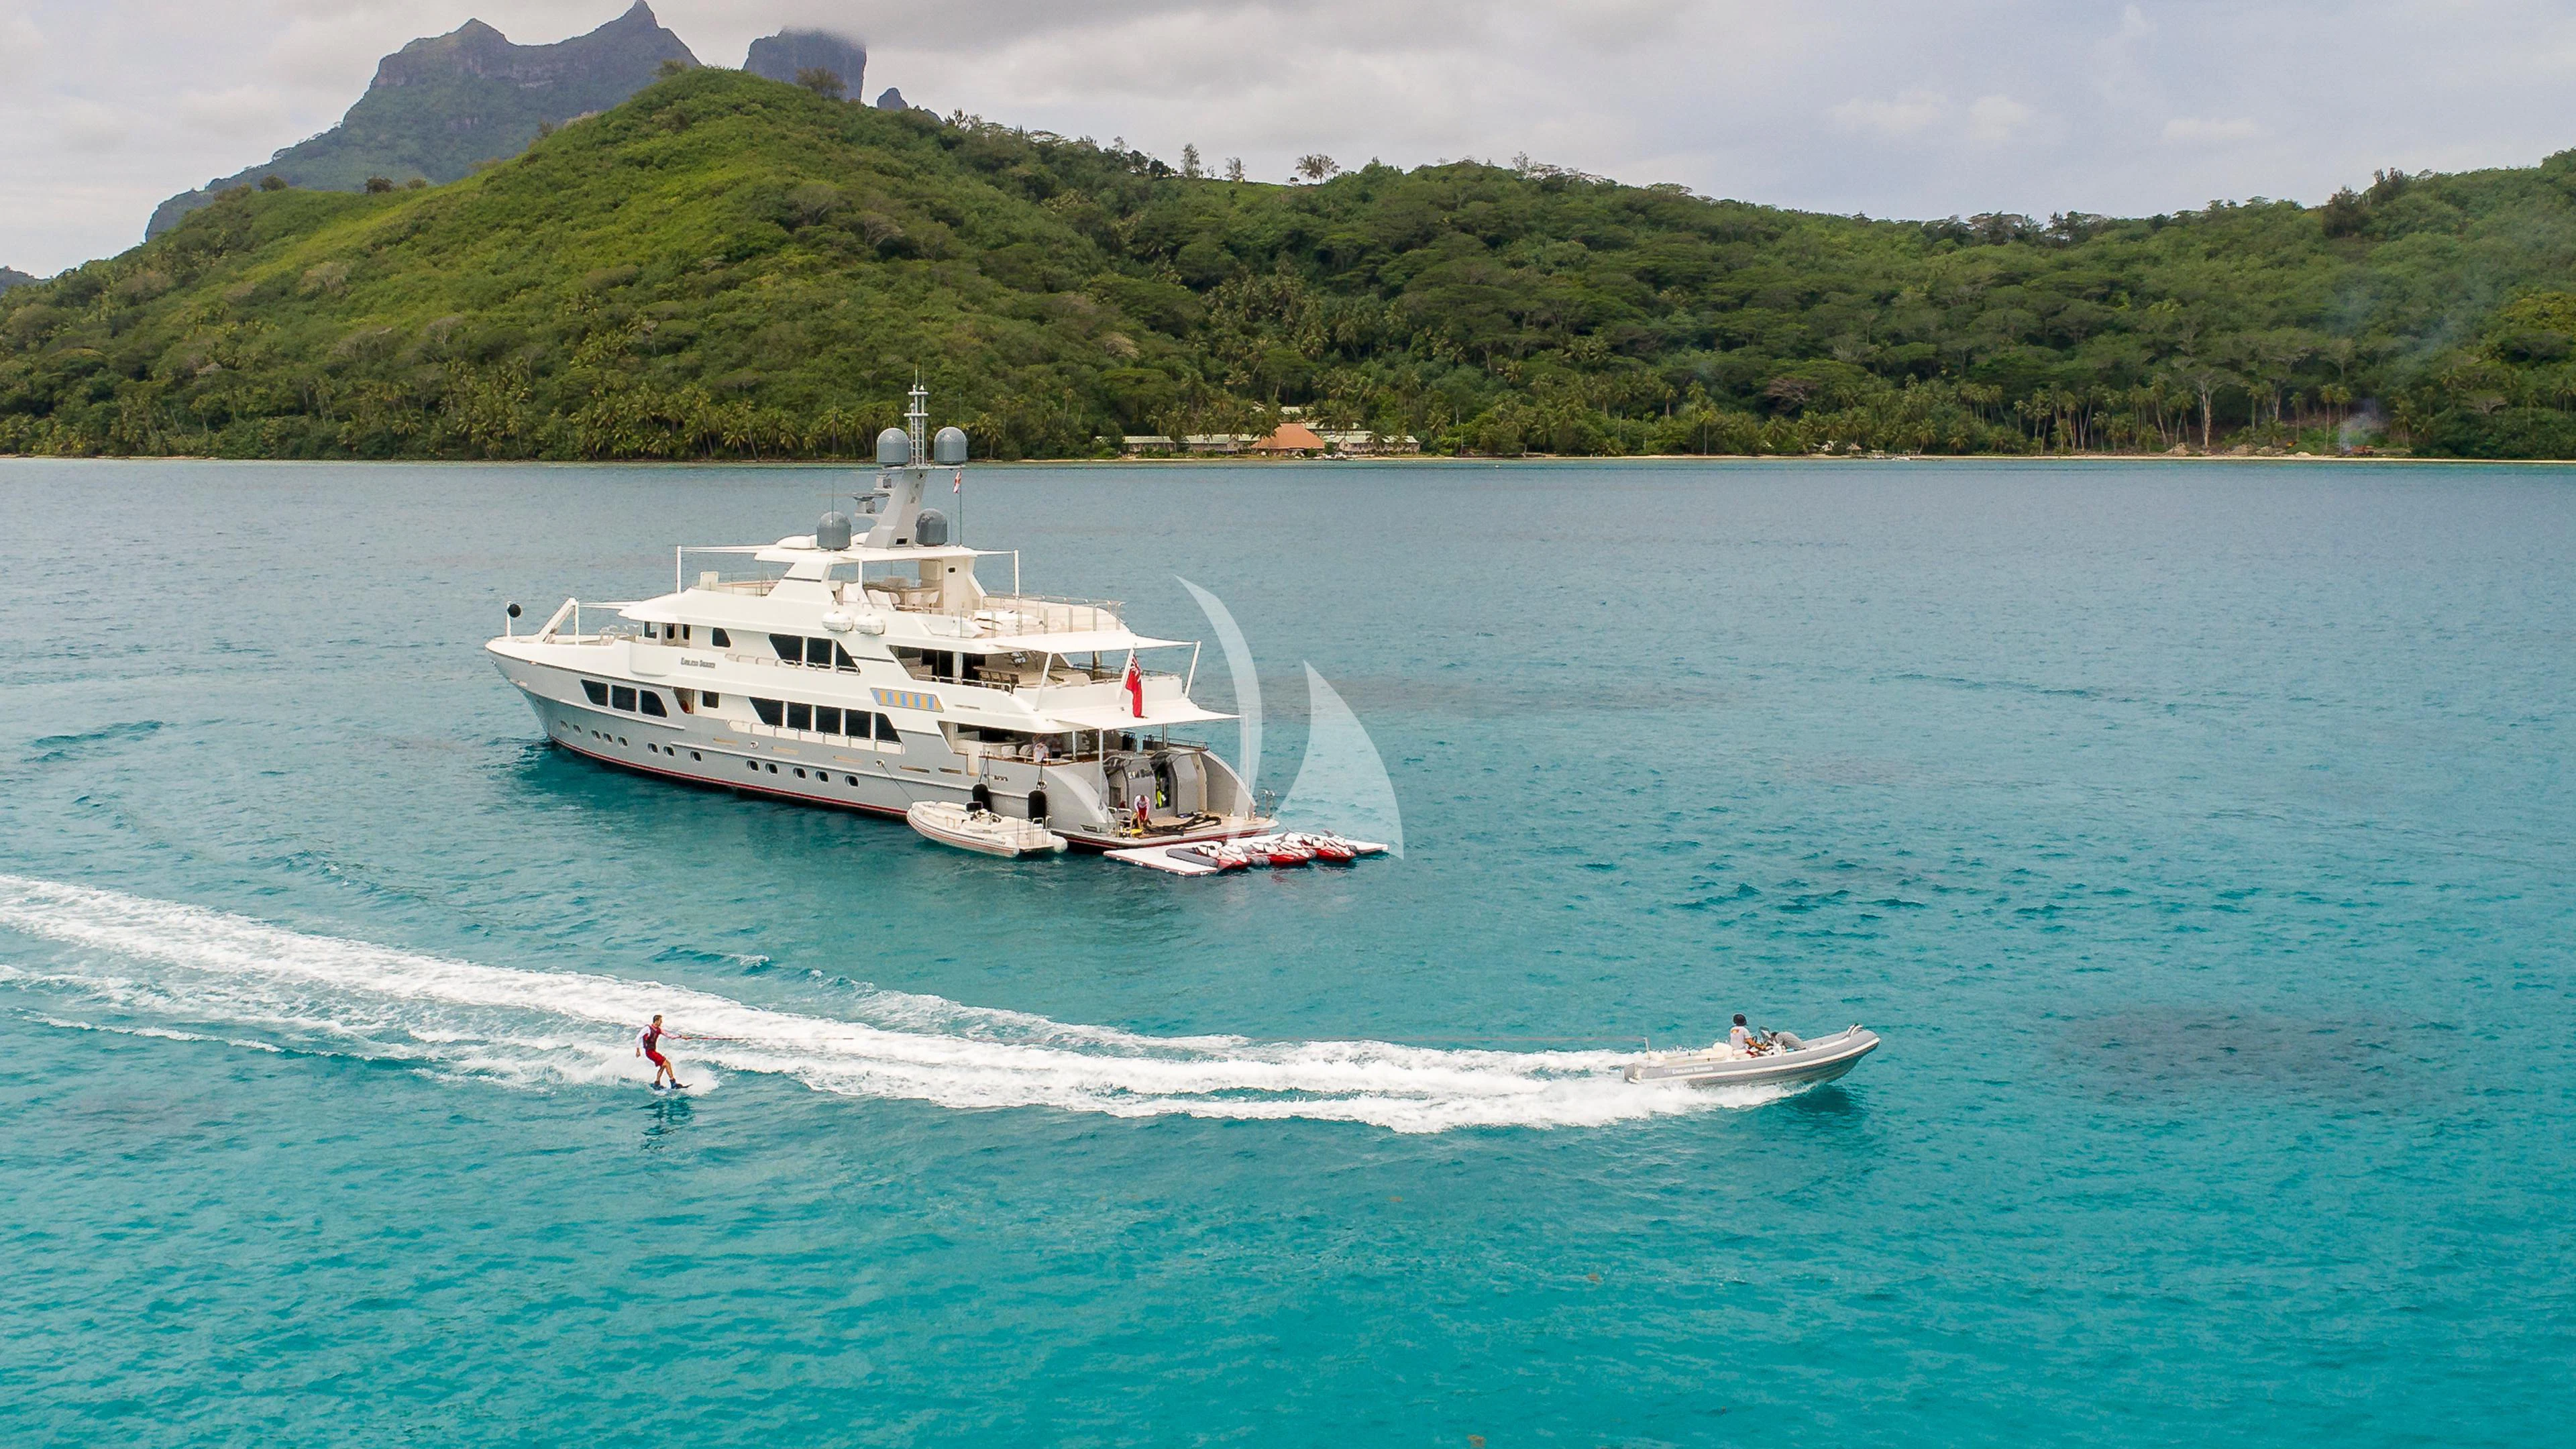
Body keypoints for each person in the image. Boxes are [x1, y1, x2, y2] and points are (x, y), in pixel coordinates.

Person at [637, 1013, 688, 1089]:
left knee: (663, 1065)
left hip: (653, 1052)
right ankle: (673, 1083)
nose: (661, 1022)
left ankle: (657, 1083)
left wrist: (681, 1037)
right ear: (657, 1021)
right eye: (661, 1021)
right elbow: (637, 1038)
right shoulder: (647, 1028)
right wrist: (638, 1050)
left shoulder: (659, 1030)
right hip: (650, 1052)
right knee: (667, 1063)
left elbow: (670, 1036)